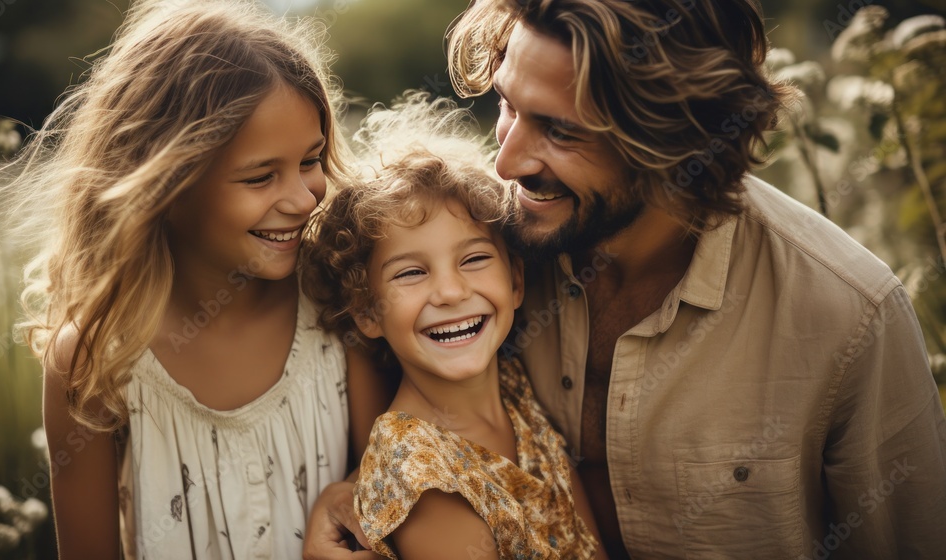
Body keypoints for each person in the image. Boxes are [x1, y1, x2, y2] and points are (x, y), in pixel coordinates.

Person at [305, 0, 946, 558]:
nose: (506, 159)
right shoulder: (491, 238)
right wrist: (358, 492)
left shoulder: (850, 315)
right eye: (507, 104)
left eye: (559, 130)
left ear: (672, 143)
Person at [0, 1, 380, 557]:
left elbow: (391, 487)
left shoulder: (337, 302)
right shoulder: (94, 361)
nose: (304, 196)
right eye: (261, 176)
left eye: (311, 160)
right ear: (164, 184)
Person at [301, 94, 608, 559]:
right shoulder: (421, 474)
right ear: (366, 313)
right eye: (410, 272)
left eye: (475, 259)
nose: (449, 291)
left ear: (517, 282)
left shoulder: (513, 384)